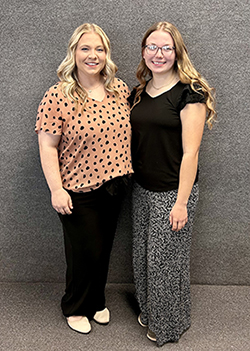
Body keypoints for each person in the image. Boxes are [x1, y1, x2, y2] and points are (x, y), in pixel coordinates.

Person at [35, 23, 133, 334]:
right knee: (84, 251)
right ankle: (75, 306)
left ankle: (95, 300)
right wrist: (56, 189)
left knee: (103, 248)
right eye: (85, 48)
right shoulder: (58, 95)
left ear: (107, 54)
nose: (93, 55)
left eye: (99, 49)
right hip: (77, 189)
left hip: (116, 184)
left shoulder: (120, 89)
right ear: (74, 53)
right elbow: (48, 145)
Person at [129, 21, 216, 346]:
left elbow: (191, 153)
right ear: (144, 51)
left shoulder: (189, 93)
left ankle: (167, 326)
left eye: (166, 47)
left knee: (164, 262)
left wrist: (181, 202)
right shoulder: (138, 92)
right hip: (141, 189)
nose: (158, 53)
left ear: (177, 52)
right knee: (142, 257)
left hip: (173, 192)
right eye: (152, 46)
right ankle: (150, 311)